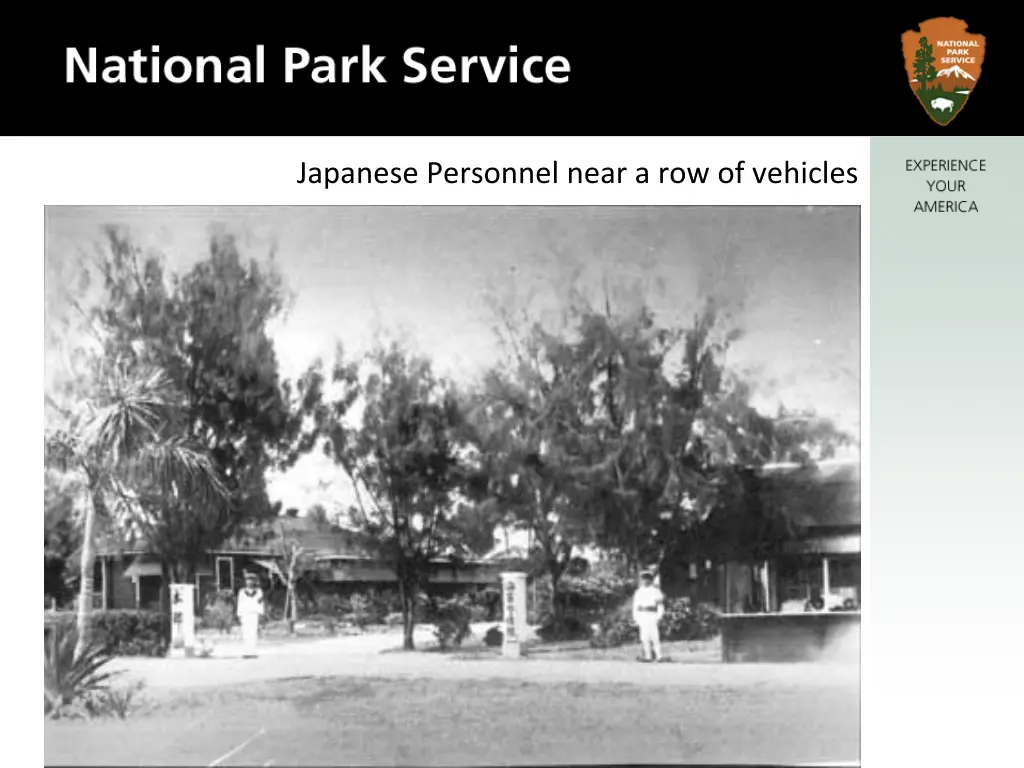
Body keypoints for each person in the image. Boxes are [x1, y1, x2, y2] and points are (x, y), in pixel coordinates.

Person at [631, 570, 665, 662]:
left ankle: (659, 655)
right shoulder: (638, 592)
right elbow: (635, 606)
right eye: (643, 579)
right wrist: (636, 617)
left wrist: (659, 616)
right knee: (644, 637)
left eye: (647, 579)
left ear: (651, 580)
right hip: (642, 615)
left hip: (652, 614)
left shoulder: (655, 591)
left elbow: (660, 605)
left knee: (654, 636)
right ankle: (648, 656)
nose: (645, 581)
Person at [236, 572, 265, 658]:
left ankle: (252, 652)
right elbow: (239, 603)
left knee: (253, 633)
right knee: (245, 633)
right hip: (245, 614)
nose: (249, 582)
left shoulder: (259, 592)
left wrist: (261, 614)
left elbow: (260, 603)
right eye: (248, 580)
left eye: (251, 580)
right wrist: (239, 614)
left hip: (254, 614)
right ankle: (246, 651)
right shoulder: (242, 591)